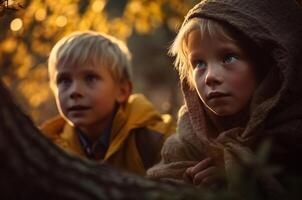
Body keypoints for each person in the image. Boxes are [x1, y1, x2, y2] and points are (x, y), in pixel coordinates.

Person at [147, 0, 302, 198]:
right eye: (199, 63)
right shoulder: (187, 143)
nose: (210, 76)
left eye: (228, 57)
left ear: (265, 65)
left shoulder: (293, 137)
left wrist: (242, 179)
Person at [41, 31, 174, 175]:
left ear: (122, 91)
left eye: (90, 78)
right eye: (64, 80)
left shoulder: (155, 140)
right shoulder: (50, 150)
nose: (74, 91)